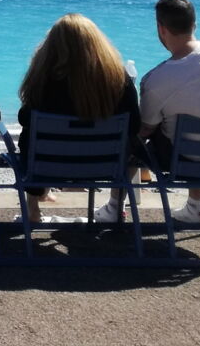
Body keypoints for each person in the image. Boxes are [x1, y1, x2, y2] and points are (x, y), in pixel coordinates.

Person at [100, 0, 200, 224]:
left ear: (161, 29)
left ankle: (114, 207)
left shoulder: (157, 80)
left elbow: (144, 130)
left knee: (134, 137)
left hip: (187, 162)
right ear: (194, 24)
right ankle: (196, 207)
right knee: (194, 118)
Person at [16, 13, 139, 223]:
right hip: (105, 164)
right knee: (134, 144)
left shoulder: (44, 79)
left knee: (31, 138)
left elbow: (25, 119)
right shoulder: (118, 78)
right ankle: (116, 206)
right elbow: (134, 124)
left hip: (49, 165)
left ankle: (32, 209)